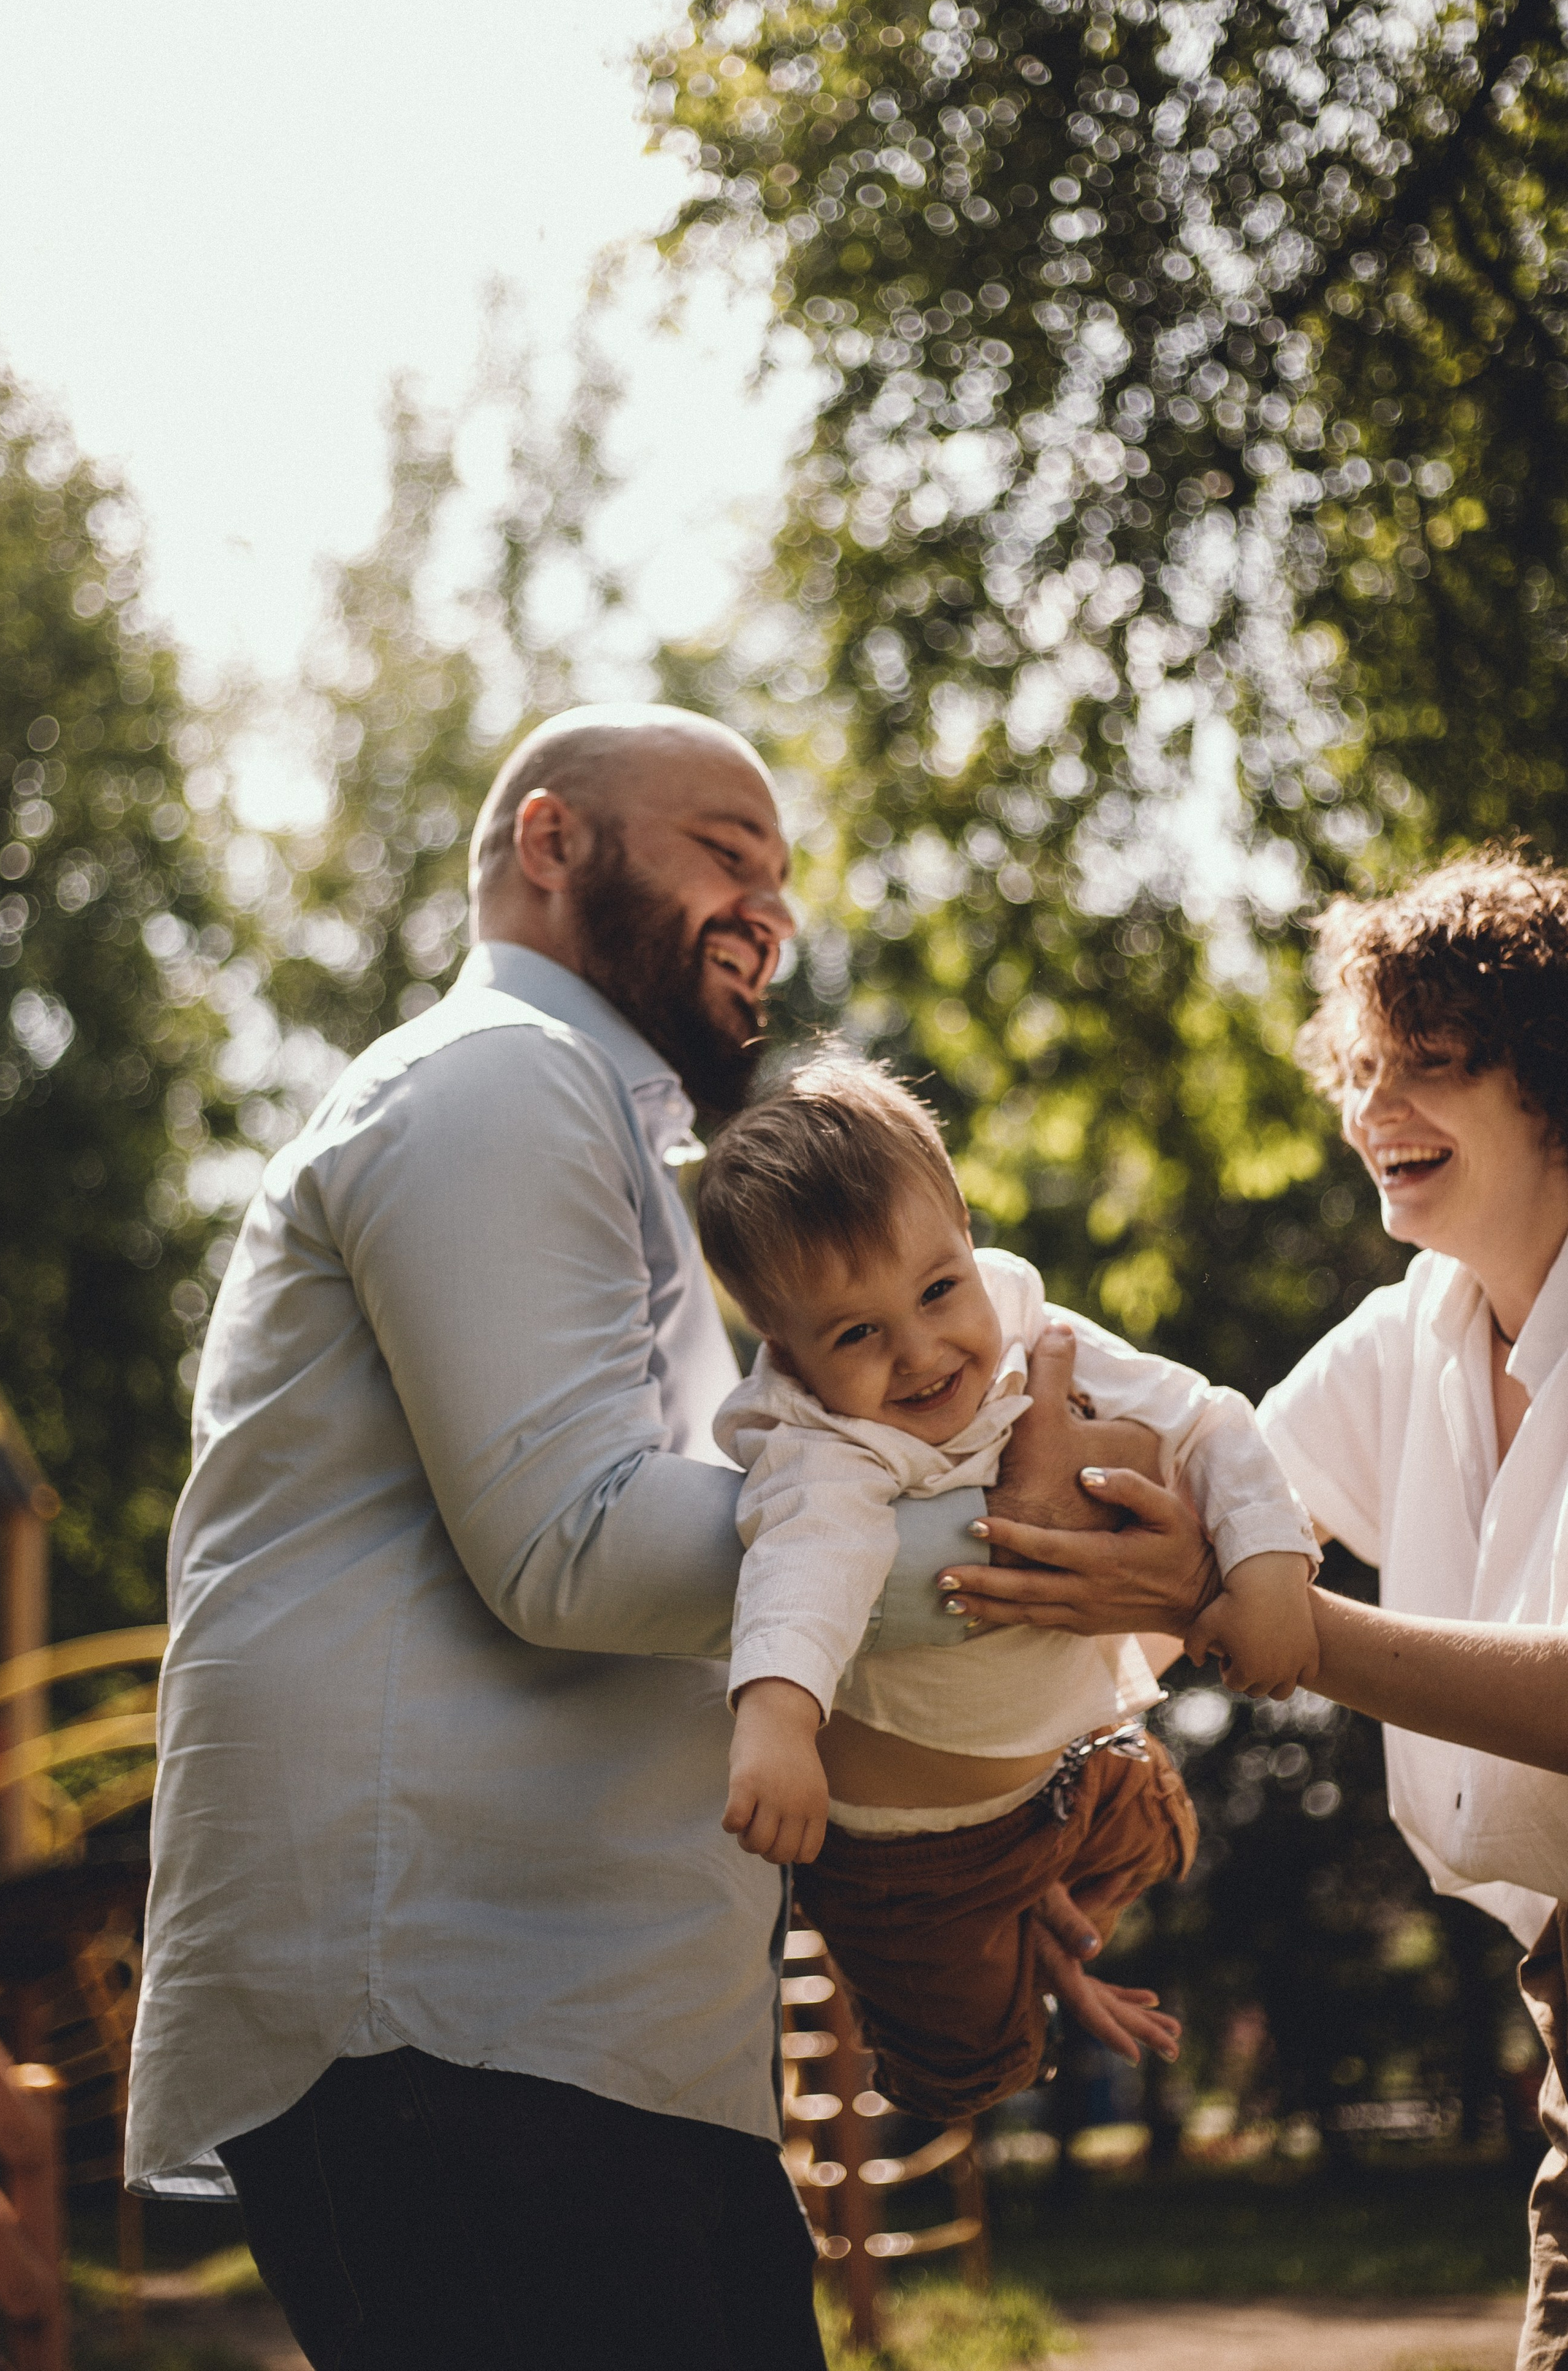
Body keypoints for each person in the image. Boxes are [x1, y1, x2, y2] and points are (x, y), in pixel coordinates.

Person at [125, 704, 1082, 2371]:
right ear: (553, 843)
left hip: (571, 2051)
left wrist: (972, 1815)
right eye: (725, 852)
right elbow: (572, 1548)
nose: (769, 911)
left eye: (781, 881)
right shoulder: (496, 1080)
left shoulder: (596, 1131)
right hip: (456, 2039)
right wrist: (1037, 1571)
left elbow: (710, 1591)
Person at [935, 849, 1568, 2371]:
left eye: (1427, 1064)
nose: (1369, 1112)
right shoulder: (1401, 1340)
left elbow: (1233, 1602)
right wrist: (1030, 1833)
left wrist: (1284, 1630)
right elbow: (1166, 1582)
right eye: (1359, 1070)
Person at [691, 1054, 1317, 2118]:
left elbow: (1206, 1417)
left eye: (939, 1289)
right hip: (917, 1868)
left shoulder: (1033, 1327)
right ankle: (1025, 1960)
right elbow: (802, 1572)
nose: (924, 1350)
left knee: (1163, 1831)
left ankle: (1049, 1915)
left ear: (969, 1236)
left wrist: (1269, 1571)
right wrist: (779, 1725)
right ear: (786, 1354)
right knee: (975, 2073)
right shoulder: (828, 1444)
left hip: (1065, 1779)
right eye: (858, 1334)